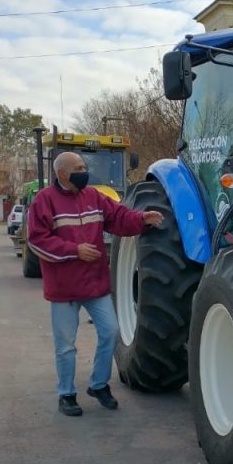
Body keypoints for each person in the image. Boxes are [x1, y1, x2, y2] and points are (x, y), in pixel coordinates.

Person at [27, 150, 163, 416]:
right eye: (78, 167)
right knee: (66, 345)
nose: (83, 170)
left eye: (83, 166)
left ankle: (98, 385)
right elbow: (37, 241)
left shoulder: (93, 197)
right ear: (62, 173)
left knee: (110, 332)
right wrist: (74, 250)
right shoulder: (45, 201)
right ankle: (66, 393)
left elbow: (118, 217)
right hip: (64, 289)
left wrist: (141, 218)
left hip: (95, 285)